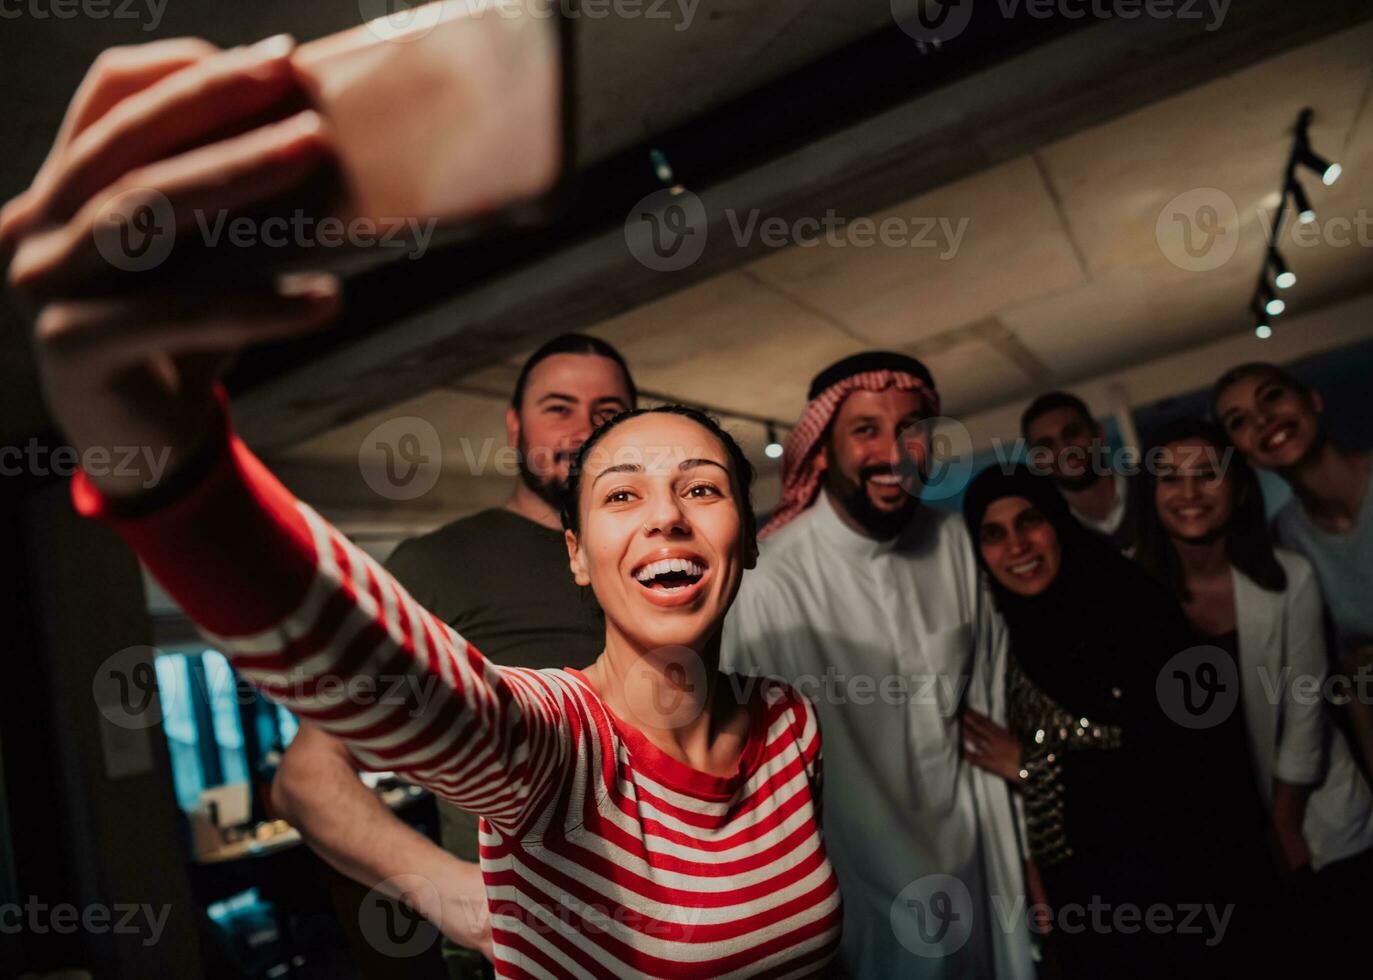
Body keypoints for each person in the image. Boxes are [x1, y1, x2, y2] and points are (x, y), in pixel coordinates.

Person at [5, 41, 843, 978]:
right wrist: (168, 461)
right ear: (576, 552)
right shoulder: (551, 747)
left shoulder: (789, 727)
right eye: (621, 493)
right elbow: (385, 675)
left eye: (702, 489)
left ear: (749, 542)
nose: (666, 517)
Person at [271, 332, 636, 978]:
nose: (585, 429)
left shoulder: (659, 556)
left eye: (608, 413)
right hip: (530, 956)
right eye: (559, 408)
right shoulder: (440, 565)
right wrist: (457, 895)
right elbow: (307, 775)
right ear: (513, 428)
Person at [722, 352, 1033, 980]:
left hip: (977, 874)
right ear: (822, 450)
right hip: (855, 903)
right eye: (866, 430)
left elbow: (997, 696)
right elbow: (746, 781)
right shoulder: (769, 583)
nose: (895, 453)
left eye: (912, 429)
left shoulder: (956, 544)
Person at [961, 466, 1277, 978]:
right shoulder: (1005, 639)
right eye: (993, 535)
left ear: (1058, 522)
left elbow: (1188, 760)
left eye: (1029, 521)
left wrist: (1031, 766)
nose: (1016, 546)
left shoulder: (1135, 607)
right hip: (1086, 898)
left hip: (1182, 884)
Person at [1135, 418, 1373, 977]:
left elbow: (1306, 711)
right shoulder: (1133, 594)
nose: (1189, 493)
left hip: (1313, 821)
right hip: (1215, 845)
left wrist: (1283, 826)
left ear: (1241, 487)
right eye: (1170, 479)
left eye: (1208, 474)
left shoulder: (1289, 577)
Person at [1213, 362, 1373, 877]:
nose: (1263, 421)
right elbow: (1350, 680)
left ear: (1313, 400)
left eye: (1272, 399)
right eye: (1240, 421)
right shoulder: (1288, 537)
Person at [1020, 391, 1147, 555]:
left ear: (1099, 433)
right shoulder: (1046, 530)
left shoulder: (1151, 488)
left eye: (1072, 433)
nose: (1065, 449)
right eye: (1046, 445)